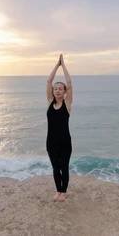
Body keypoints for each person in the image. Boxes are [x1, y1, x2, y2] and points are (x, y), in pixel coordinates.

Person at [46, 53, 73, 202]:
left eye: (60, 89)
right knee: (55, 168)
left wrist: (64, 64)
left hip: (65, 143)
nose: (57, 90)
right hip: (51, 142)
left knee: (64, 167)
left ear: (64, 92)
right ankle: (58, 191)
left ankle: (64, 192)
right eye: (55, 89)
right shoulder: (50, 102)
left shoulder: (67, 105)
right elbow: (49, 80)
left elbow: (69, 82)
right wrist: (57, 65)